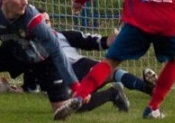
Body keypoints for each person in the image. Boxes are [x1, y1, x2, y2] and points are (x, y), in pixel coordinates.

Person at [21, 9, 157, 98]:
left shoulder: (62, 35)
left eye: (48, 21)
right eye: (42, 22)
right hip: (56, 75)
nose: (46, 25)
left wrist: (108, 41)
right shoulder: (30, 45)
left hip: (79, 65)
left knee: (113, 71)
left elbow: (88, 41)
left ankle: (148, 88)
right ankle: (113, 94)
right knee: (69, 96)